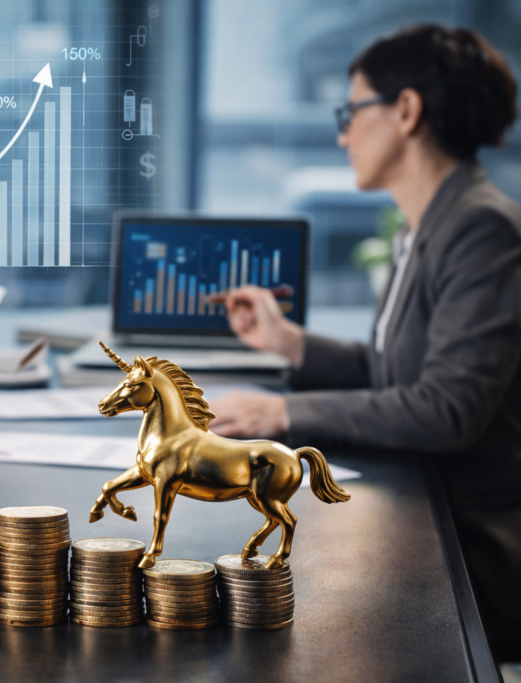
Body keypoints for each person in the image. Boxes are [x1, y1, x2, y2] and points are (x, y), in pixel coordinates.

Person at [210, 25, 521, 659]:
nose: (342, 134)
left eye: (351, 111)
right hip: (420, 513)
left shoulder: (480, 227)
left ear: (406, 110)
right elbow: (393, 373)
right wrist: (289, 342)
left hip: (468, 553)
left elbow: (446, 408)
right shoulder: (424, 226)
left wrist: (282, 412)